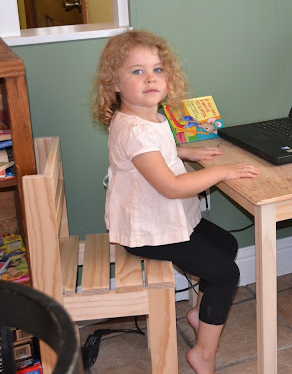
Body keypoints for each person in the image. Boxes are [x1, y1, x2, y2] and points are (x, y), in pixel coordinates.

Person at [91, 29, 260, 373]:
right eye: (137, 71)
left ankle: (200, 314)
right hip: (150, 232)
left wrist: (184, 152)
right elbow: (170, 186)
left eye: (157, 70)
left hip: (164, 219)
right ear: (115, 84)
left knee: (226, 244)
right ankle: (203, 354)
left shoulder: (147, 117)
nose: (150, 78)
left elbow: (153, 154)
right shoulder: (135, 130)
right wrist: (222, 172)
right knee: (226, 274)